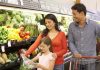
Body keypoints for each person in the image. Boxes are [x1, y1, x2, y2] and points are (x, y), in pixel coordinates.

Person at [68, 3, 100, 70]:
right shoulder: (71, 26)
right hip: (77, 61)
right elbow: (70, 41)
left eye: (74, 14)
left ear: (82, 13)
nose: (73, 16)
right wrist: (75, 52)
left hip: (90, 62)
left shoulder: (95, 25)